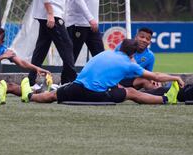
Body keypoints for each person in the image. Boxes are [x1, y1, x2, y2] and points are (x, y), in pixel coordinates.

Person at [20, 39, 185, 105]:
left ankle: (29, 96)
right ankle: (164, 99)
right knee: (132, 92)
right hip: (97, 95)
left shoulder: (105, 53)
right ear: (132, 54)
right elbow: (155, 76)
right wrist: (175, 77)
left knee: (53, 95)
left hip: (78, 87)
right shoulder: (130, 64)